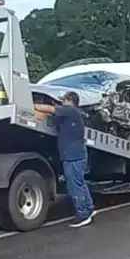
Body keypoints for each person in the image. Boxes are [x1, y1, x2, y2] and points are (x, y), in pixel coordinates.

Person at [34, 91, 95, 227]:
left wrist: (32, 105)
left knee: (74, 186)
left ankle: (83, 214)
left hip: (73, 156)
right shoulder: (71, 114)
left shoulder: (70, 110)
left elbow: (50, 109)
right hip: (76, 154)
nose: (61, 103)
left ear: (70, 101)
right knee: (80, 183)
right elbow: (51, 114)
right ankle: (88, 208)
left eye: (63, 100)